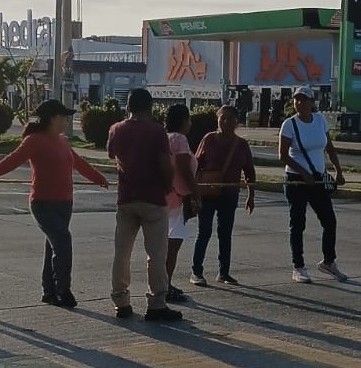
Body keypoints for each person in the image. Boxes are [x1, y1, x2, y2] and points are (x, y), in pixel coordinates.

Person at [0, 99, 108, 308]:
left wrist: (98, 177)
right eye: (64, 117)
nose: (67, 120)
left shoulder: (62, 140)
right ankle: (63, 290)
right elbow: (13, 159)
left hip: (64, 203)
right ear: (53, 118)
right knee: (63, 242)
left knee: (53, 246)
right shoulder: (35, 140)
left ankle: (49, 291)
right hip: (43, 204)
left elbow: (78, 162)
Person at [107, 89, 182, 322]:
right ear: (150, 107)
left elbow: (111, 154)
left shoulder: (116, 129)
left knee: (122, 253)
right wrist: (168, 186)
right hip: (152, 199)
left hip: (126, 198)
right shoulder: (156, 131)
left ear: (128, 107)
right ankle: (156, 304)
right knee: (156, 254)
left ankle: (121, 302)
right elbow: (165, 164)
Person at [278, 86, 347, 284]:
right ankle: (298, 266)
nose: (299, 103)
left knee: (329, 220)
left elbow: (329, 148)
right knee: (298, 222)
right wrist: (303, 173)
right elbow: (282, 155)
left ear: (311, 102)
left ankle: (328, 261)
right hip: (296, 180)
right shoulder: (289, 125)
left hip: (318, 178)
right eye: (296, 99)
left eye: (303, 99)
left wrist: (338, 171)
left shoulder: (320, 120)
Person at [190, 105, 255, 286]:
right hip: (208, 192)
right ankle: (196, 271)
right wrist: (193, 190)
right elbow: (196, 164)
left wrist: (251, 195)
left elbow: (249, 170)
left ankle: (224, 272)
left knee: (225, 233)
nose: (225, 122)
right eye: (222, 118)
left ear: (237, 122)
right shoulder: (209, 139)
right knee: (204, 232)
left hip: (230, 194)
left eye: (230, 119)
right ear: (217, 119)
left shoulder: (241, 144)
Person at [164, 104, 200, 303]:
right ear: (183, 121)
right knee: (173, 245)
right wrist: (196, 194)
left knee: (161, 245)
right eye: (189, 120)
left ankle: (161, 283)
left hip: (162, 197)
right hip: (178, 199)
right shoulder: (180, 139)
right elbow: (185, 171)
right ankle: (165, 285)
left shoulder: (162, 137)